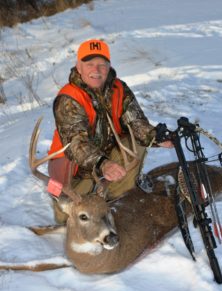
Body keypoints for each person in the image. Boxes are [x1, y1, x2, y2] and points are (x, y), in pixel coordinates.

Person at [48, 39, 173, 223]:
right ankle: (91, 196)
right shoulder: (69, 98)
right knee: (67, 219)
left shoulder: (119, 89)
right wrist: (103, 164)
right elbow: (76, 143)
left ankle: (116, 197)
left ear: (109, 66)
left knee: (134, 142)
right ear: (78, 67)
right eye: (89, 64)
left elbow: (136, 122)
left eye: (101, 65)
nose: (96, 71)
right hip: (73, 172)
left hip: (106, 162)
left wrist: (156, 137)